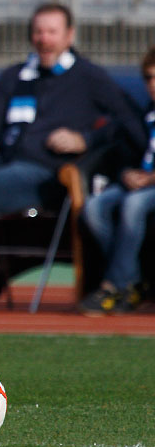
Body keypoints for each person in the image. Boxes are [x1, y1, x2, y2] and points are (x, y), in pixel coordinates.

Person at [0, 3, 147, 316]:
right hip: (4, 167)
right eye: (38, 32)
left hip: (47, 178)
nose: (43, 39)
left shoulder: (89, 77)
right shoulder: (14, 76)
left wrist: (85, 139)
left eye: (51, 32)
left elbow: (130, 120)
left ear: (69, 35)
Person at [78, 46, 155, 315]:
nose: (153, 84)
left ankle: (113, 285)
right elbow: (123, 152)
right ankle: (132, 281)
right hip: (141, 185)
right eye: (148, 77)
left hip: (148, 189)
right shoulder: (144, 116)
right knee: (95, 207)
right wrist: (126, 173)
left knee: (133, 204)